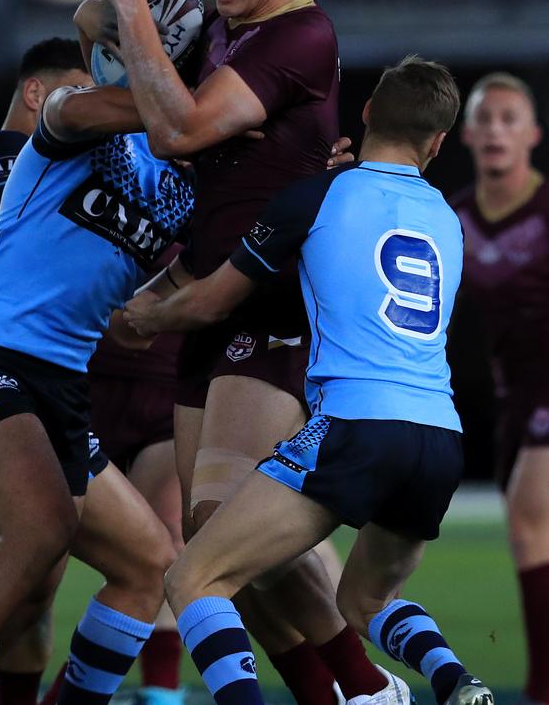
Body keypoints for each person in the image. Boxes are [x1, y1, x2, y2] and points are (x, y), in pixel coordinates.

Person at [88, 0, 401, 705]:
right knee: (211, 539)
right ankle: (343, 691)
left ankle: (370, 690)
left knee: (222, 544)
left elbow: (179, 126)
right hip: (209, 307)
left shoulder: (301, 35)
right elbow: (90, 27)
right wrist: (130, 8)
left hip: (272, 310)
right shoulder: (226, 35)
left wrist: (131, 3)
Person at [123, 56, 494, 705]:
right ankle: (454, 678)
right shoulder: (448, 219)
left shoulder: (317, 197)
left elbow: (211, 301)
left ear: (369, 112)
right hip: (441, 437)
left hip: (354, 424)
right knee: (366, 599)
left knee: (193, 577)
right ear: (438, 144)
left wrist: (143, 316)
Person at [0, 28, 195, 704]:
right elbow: (18, 225)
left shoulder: (152, 172)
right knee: (35, 546)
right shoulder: (6, 151)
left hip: (50, 384)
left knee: (128, 567)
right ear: (39, 92)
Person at [452, 73, 548, 705]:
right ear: (463, 134)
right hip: (512, 395)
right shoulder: (454, 219)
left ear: (534, 136)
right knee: (531, 532)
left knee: (527, 520)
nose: (495, 130)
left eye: (509, 118)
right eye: (485, 118)